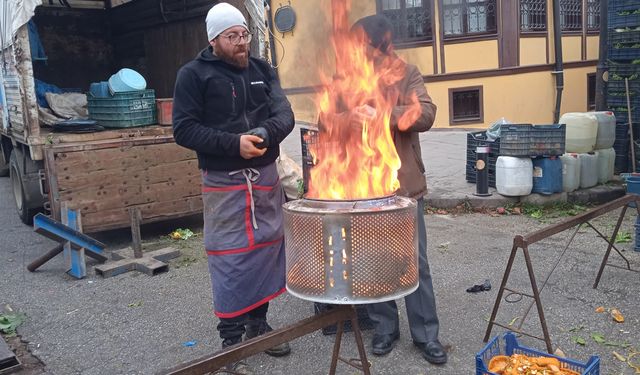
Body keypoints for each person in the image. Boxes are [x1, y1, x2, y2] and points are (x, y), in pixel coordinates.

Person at [171, 2, 295, 370]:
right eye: (233, 37)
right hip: (224, 183)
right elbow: (184, 129)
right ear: (214, 39)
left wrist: (263, 133)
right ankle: (231, 343)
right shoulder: (193, 75)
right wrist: (233, 144)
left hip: (265, 178)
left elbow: (284, 115)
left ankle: (259, 326)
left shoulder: (262, 70)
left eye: (245, 34)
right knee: (231, 258)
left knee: (267, 249)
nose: (242, 43)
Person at [349, 15, 447, 365]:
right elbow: (326, 119)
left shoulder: (407, 73)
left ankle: (426, 335)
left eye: (361, 45)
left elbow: (427, 114)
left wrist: (381, 113)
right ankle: (384, 327)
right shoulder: (348, 76)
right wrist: (350, 118)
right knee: (374, 260)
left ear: (380, 45)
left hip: (403, 187)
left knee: (414, 262)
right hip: (363, 187)